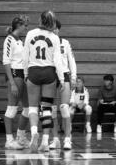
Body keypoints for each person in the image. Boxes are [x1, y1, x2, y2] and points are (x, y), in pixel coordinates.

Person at [23, 10, 64, 152]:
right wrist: (62, 79)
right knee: (47, 108)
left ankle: (34, 132)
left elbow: (25, 56)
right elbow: (58, 61)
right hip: (49, 73)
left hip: (33, 71)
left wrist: (25, 73)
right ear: (53, 21)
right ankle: (45, 142)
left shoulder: (30, 34)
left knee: (33, 108)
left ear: (40, 19)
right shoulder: (54, 37)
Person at [2, 15, 30, 149]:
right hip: (14, 74)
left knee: (28, 108)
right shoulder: (9, 39)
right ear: (19, 25)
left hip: (23, 75)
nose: (27, 28)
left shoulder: (21, 40)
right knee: (12, 108)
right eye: (25, 25)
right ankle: (9, 140)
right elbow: (6, 62)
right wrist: (12, 82)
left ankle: (21, 136)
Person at [49, 20, 77, 150]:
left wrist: (74, 77)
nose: (54, 31)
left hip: (65, 75)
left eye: (56, 29)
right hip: (50, 76)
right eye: (51, 29)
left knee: (64, 108)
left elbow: (71, 61)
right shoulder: (46, 43)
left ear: (59, 30)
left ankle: (67, 139)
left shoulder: (65, 43)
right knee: (52, 110)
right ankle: (55, 140)